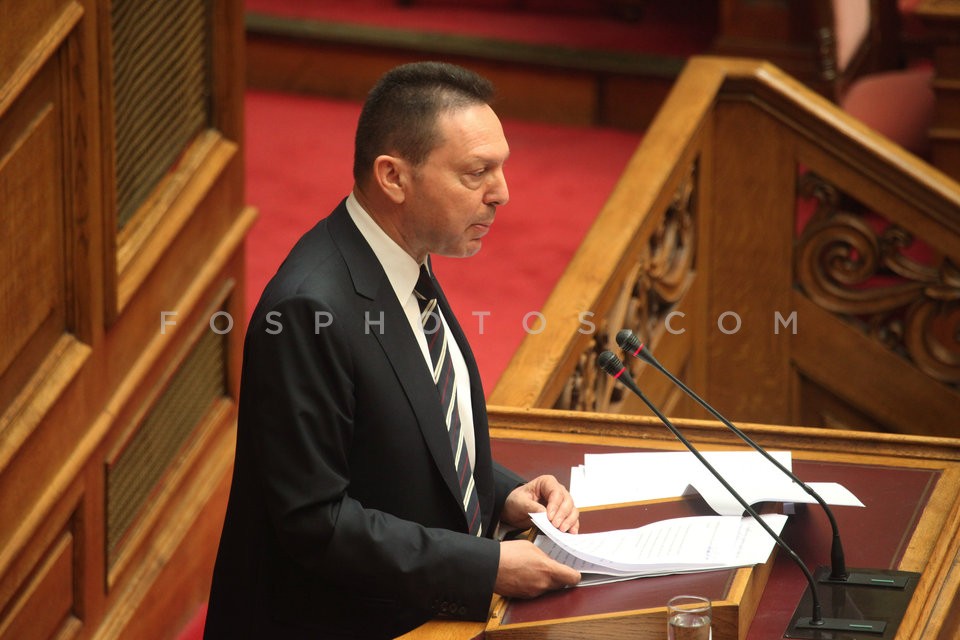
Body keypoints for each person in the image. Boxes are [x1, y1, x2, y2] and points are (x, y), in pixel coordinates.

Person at [204, 61, 581, 639]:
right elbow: (315, 521)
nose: (502, 193)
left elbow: (406, 436)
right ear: (394, 177)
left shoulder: (402, 256)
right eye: (477, 172)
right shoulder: (308, 310)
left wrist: (503, 492)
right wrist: (485, 565)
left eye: (500, 168)